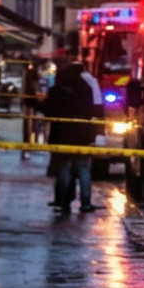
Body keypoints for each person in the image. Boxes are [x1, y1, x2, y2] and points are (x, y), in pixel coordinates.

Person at [41, 61, 100, 218]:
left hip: (62, 135)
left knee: (63, 168)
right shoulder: (86, 88)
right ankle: (86, 203)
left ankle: (62, 202)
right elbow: (94, 109)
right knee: (83, 168)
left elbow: (48, 110)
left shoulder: (58, 90)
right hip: (83, 135)